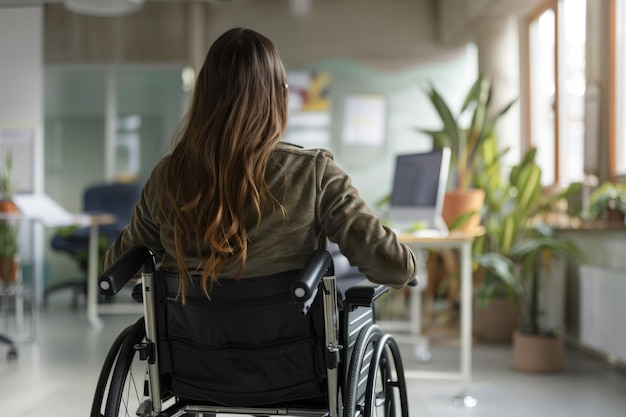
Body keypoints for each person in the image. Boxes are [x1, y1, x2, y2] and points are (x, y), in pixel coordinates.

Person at [103, 27, 416, 301]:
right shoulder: (315, 173)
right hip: (289, 359)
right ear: (279, 98)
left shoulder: (166, 179)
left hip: (190, 354)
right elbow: (392, 266)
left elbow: (119, 268)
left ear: (203, 97)